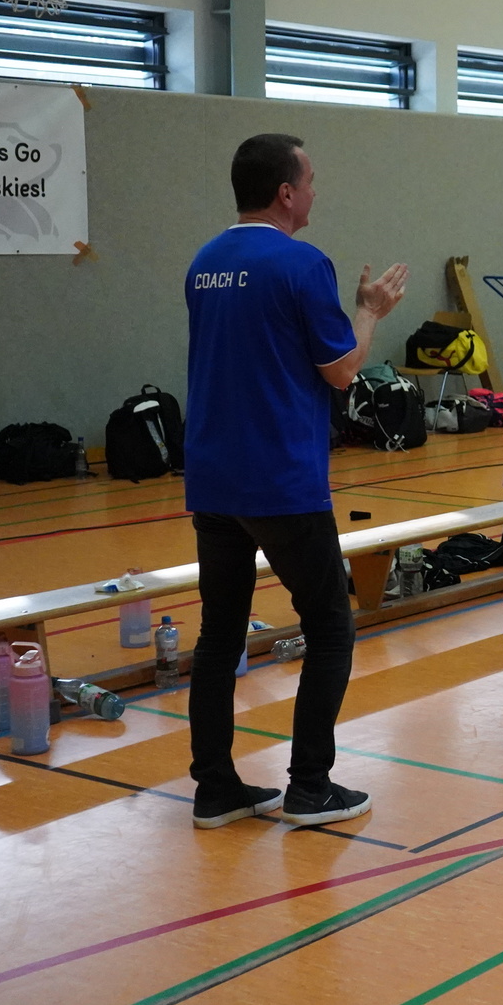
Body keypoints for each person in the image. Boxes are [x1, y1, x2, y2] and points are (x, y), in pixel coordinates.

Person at [183, 134, 408, 829]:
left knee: (219, 634)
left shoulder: (203, 263)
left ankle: (215, 788)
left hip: (213, 479)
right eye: (309, 180)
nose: (314, 192)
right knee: (331, 626)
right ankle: (310, 785)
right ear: (285, 193)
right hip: (280, 478)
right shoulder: (303, 263)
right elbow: (342, 370)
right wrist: (368, 311)